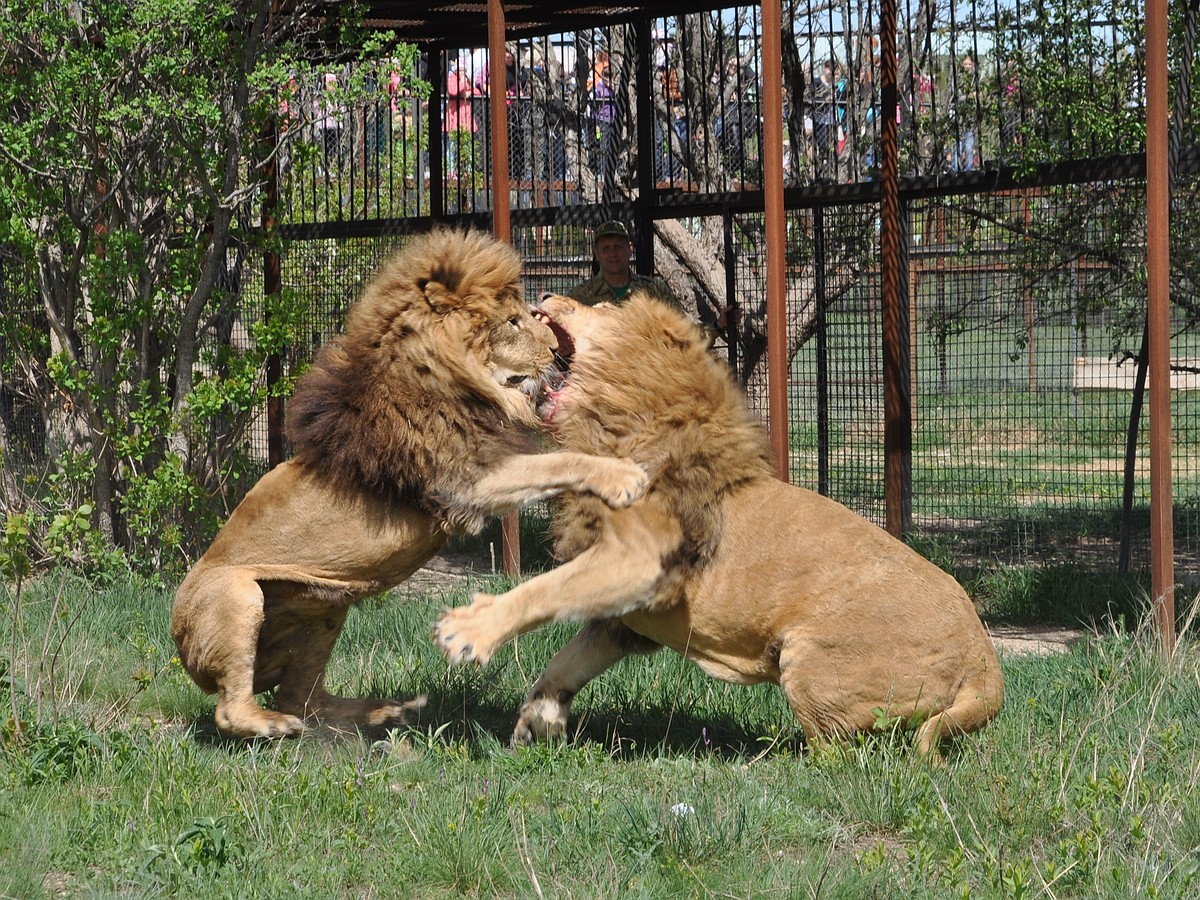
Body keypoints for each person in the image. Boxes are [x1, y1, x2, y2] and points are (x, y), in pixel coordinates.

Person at [569, 221, 731, 346]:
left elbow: (683, 335)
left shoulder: (654, 290)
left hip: (648, 380)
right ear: (596, 253)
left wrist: (718, 325)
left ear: (630, 248)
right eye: (606, 249)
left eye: (618, 247)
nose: (613, 253)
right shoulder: (580, 298)